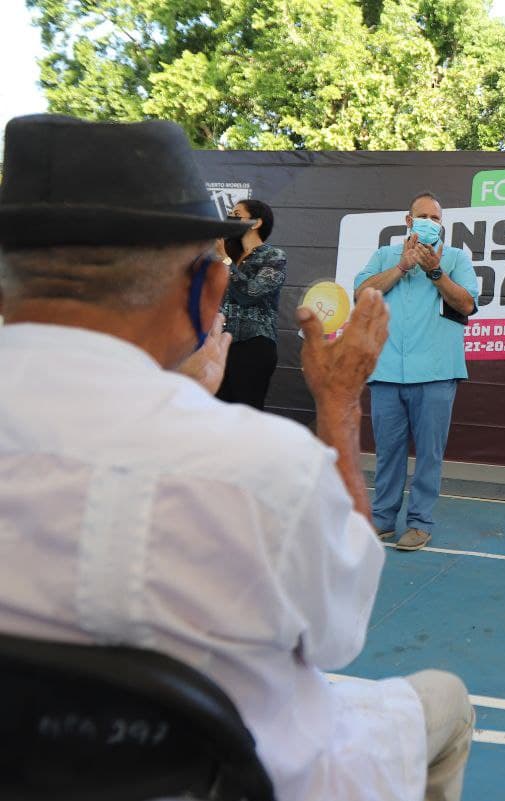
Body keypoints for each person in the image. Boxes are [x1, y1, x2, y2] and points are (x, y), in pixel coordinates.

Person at [0, 115, 473, 801]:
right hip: (236, 775)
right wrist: (339, 405)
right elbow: (339, 630)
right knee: (445, 701)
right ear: (208, 291)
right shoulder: (264, 466)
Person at [354, 192, 479, 552]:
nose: (428, 222)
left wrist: (434, 271)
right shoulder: (385, 255)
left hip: (437, 372)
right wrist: (401, 267)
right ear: (408, 221)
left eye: (435, 218)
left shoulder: (455, 258)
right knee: (387, 452)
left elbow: (467, 303)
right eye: (422, 216)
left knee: (429, 453)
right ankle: (382, 519)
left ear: (442, 224)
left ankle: (420, 523)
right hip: (387, 371)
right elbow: (362, 294)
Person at [215, 198, 287, 409]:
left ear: (256, 222)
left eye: (237, 215)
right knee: (216, 411)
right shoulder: (226, 255)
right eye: (230, 214)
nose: (230, 219)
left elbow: (251, 293)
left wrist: (224, 259)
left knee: (246, 410)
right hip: (219, 344)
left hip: (253, 344)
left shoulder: (273, 256)